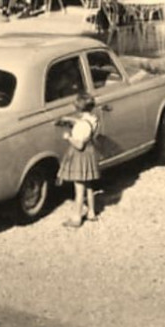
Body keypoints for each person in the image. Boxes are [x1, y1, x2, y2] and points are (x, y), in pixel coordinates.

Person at [57, 92, 102, 228]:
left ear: (78, 108)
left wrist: (68, 137)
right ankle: (91, 212)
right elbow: (84, 123)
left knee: (79, 188)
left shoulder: (81, 126)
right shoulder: (93, 119)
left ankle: (76, 218)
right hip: (89, 154)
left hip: (80, 155)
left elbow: (79, 144)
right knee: (88, 185)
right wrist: (70, 120)